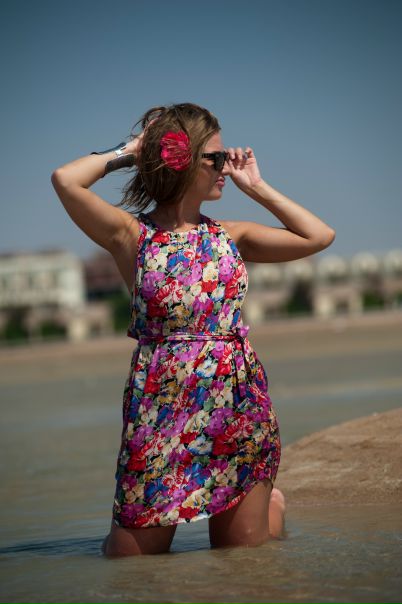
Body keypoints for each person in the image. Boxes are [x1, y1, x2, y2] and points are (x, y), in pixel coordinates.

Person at [51, 102, 335, 557]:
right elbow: (66, 179)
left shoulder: (232, 235)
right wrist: (134, 150)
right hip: (159, 410)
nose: (227, 166)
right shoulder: (131, 236)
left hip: (236, 405)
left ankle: (272, 508)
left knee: (241, 554)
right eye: (216, 158)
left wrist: (256, 187)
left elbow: (318, 236)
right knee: (129, 558)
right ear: (180, 160)